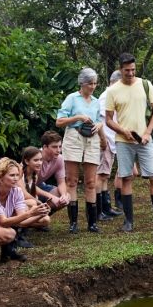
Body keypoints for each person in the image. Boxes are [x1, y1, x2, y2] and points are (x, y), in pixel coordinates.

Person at [104, 53, 153, 232]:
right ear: (120, 70)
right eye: (126, 71)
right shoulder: (113, 91)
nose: (130, 73)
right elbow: (108, 119)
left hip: (145, 140)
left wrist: (147, 133)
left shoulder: (145, 85)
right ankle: (128, 221)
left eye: (133, 70)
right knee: (126, 177)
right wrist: (123, 131)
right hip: (123, 141)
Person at [56, 67, 106, 233]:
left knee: (91, 182)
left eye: (95, 83)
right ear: (82, 83)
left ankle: (92, 223)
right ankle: (73, 223)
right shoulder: (72, 98)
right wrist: (77, 117)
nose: (92, 86)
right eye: (89, 83)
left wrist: (102, 133)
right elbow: (59, 121)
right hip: (74, 137)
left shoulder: (96, 101)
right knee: (72, 180)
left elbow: (99, 121)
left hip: (92, 139)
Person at [96, 70, 123, 220]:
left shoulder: (112, 96)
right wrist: (103, 139)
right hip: (104, 140)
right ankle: (98, 210)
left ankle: (106, 208)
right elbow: (100, 120)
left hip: (111, 141)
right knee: (100, 175)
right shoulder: (106, 96)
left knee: (105, 175)